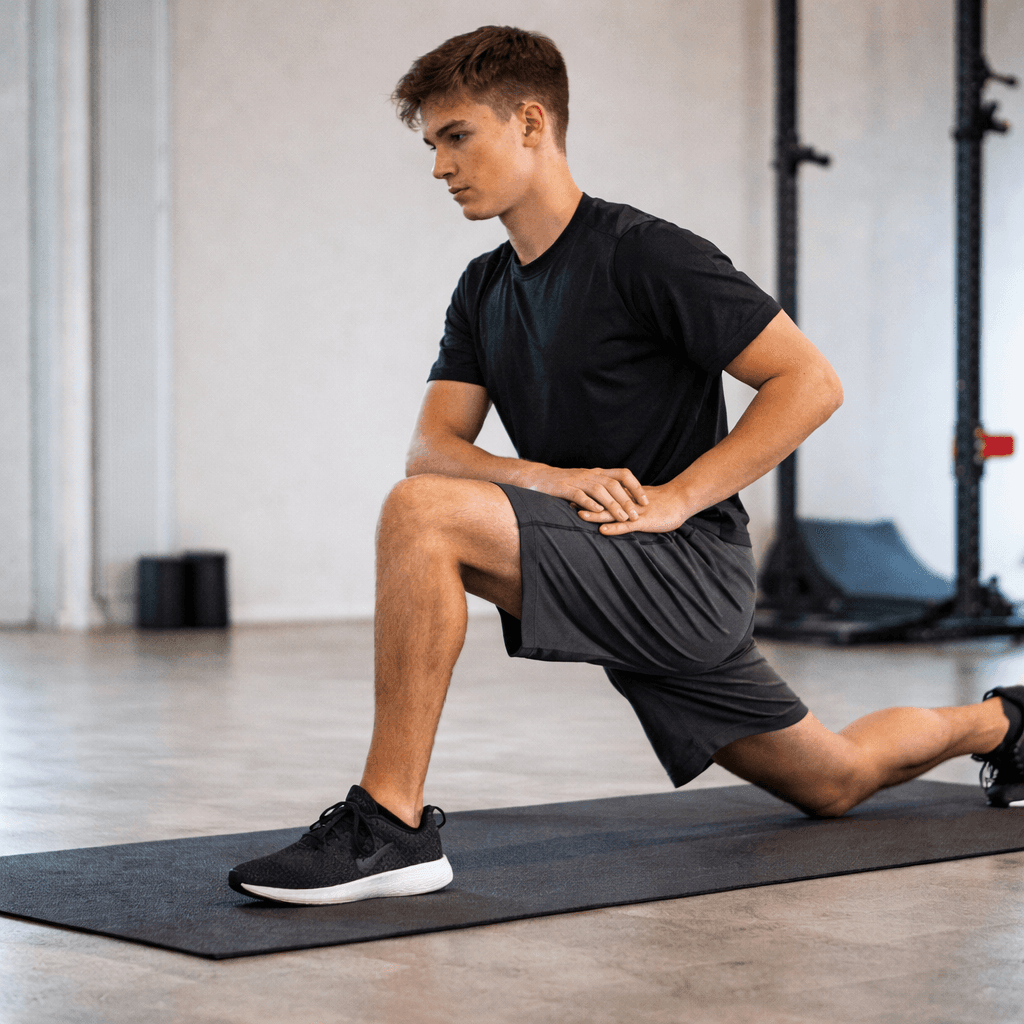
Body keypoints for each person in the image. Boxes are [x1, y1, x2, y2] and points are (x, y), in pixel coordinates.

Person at [228, 26, 1024, 906]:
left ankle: (391, 826)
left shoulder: (646, 252)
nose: (440, 166)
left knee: (422, 515)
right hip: (607, 556)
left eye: (458, 136)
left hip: (682, 572)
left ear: (531, 123)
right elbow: (434, 449)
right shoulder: (484, 289)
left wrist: (680, 498)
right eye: (432, 145)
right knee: (831, 779)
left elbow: (810, 381)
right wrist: (548, 479)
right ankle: (1006, 723)